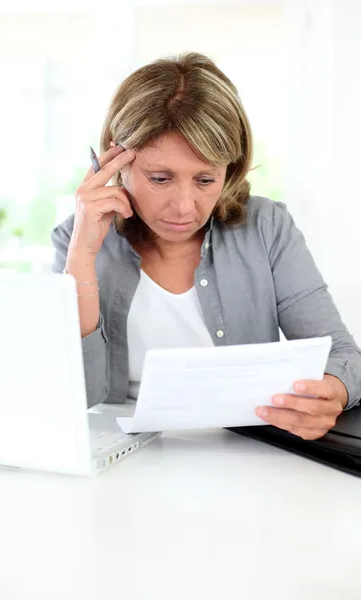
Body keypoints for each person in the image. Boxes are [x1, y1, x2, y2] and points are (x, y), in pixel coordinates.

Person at [51, 52, 361, 441]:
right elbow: (73, 395)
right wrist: (82, 258)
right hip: (121, 455)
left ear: (229, 169)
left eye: (205, 180)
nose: (184, 207)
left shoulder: (266, 228)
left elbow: (345, 357)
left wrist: (332, 390)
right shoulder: (76, 240)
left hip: (247, 453)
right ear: (116, 161)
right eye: (160, 178)